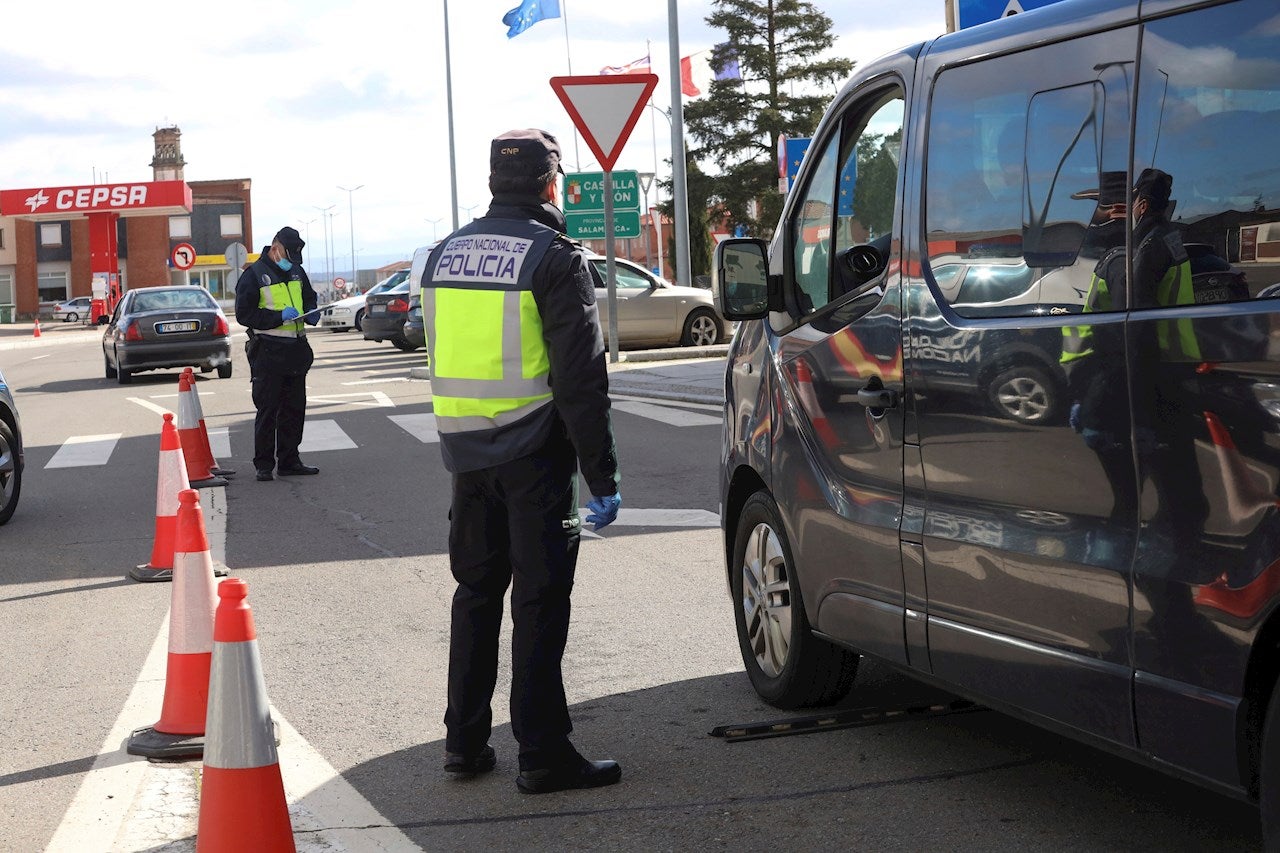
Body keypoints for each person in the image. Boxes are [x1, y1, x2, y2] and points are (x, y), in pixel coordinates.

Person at [422, 128, 623, 794]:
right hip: (535, 455)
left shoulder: (443, 255)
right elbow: (580, 379)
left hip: (467, 454)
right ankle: (541, 750)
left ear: (490, 181)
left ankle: (464, 742)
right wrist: (602, 475)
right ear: (550, 184)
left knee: (476, 592)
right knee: (539, 599)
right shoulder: (553, 256)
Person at [235, 226, 320, 482]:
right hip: (268, 351)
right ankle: (263, 465)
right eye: (286, 256)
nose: (289, 262)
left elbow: (309, 296)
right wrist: (277, 317)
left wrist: (312, 310)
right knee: (267, 409)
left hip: (295, 350)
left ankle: (289, 460)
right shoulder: (253, 275)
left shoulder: (296, 271)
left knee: (294, 409)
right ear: (275, 248)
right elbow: (244, 315)